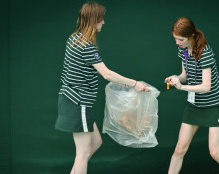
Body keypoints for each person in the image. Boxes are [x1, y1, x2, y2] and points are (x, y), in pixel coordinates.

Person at [55, 2, 149, 174]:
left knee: (96, 142)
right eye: (101, 19)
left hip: (74, 101)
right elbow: (107, 74)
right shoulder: (87, 47)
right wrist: (135, 84)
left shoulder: (74, 38)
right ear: (94, 20)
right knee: (82, 153)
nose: (103, 23)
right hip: (78, 102)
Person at [165, 17, 219, 174]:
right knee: (179, 149)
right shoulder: (182, 49)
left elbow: (206, 87)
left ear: (191, 35)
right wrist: (177, 78)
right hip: (194, 105)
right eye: (175, 39)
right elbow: (186, 75)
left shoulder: (205, 52)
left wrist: (182, 87)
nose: (177, 43)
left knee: (215, 152)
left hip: (213, 105)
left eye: (181, 39)